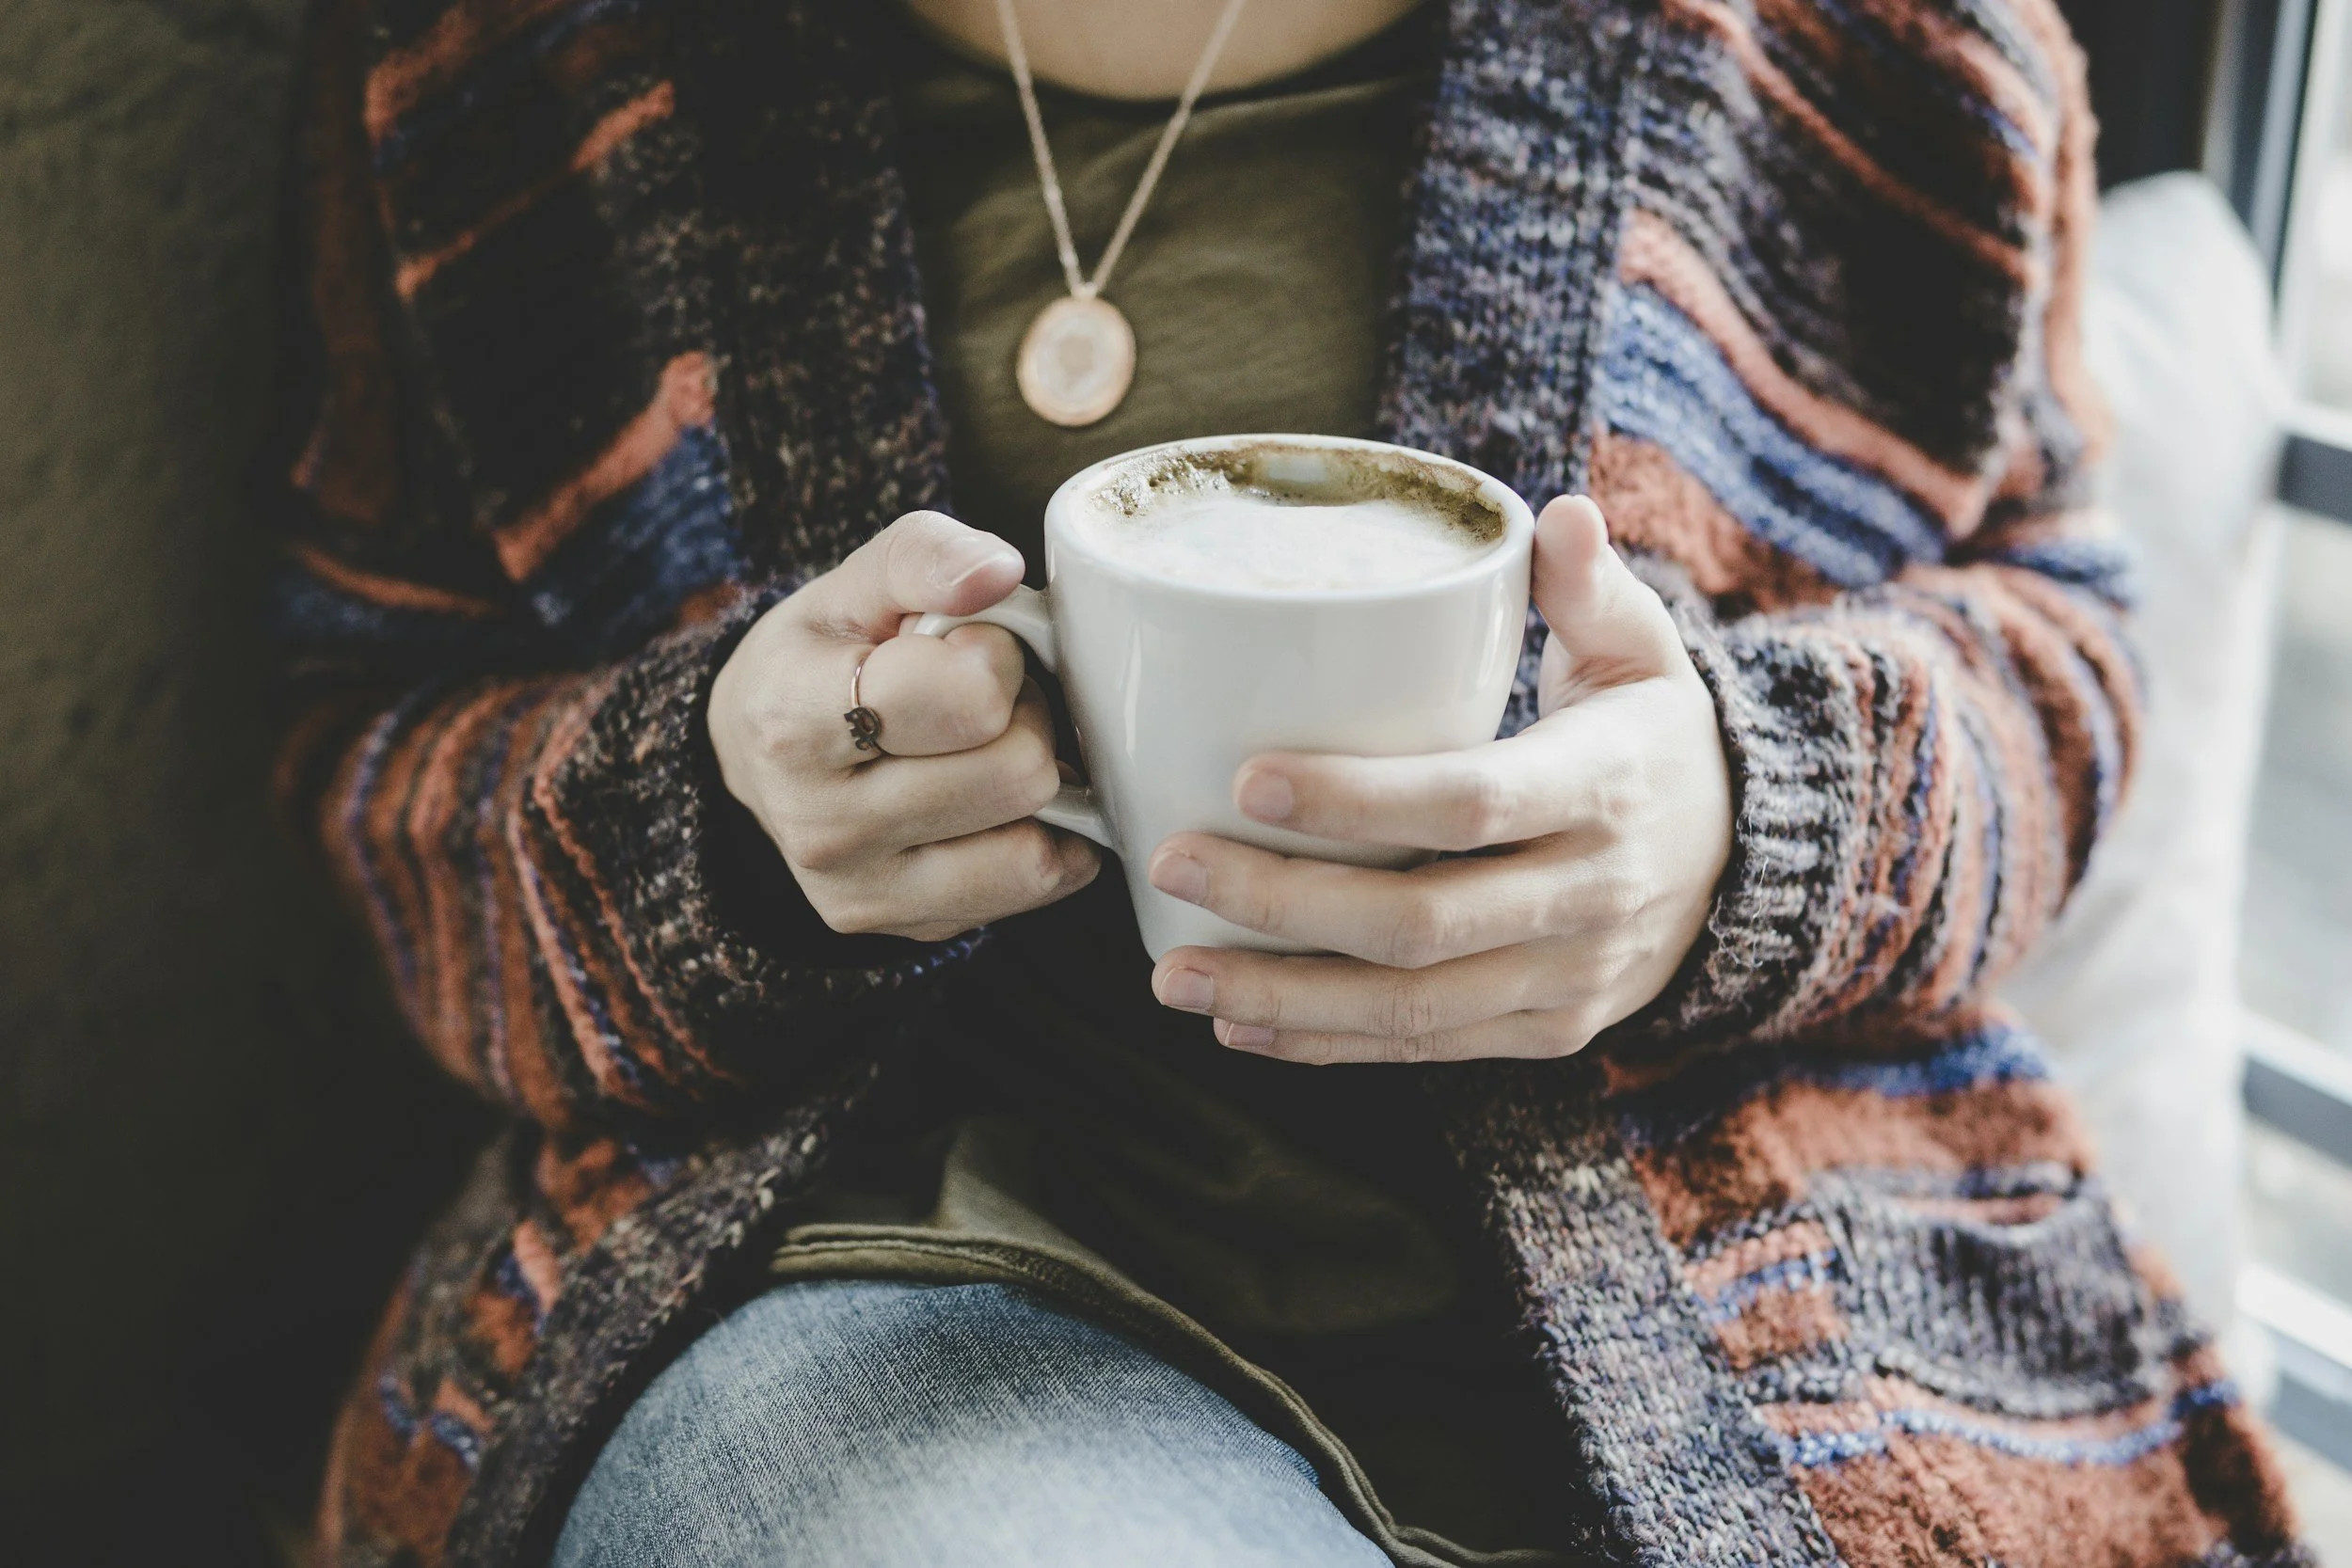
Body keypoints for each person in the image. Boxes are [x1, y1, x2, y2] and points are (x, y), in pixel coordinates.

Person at [278, 0, 2311, 1562]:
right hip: (898, 1302)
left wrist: (1743, 826)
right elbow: (380, 754)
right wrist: (711, 816)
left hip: (1771, 1309)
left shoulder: (1873, 45)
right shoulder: (513, 66)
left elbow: (2056, 644)